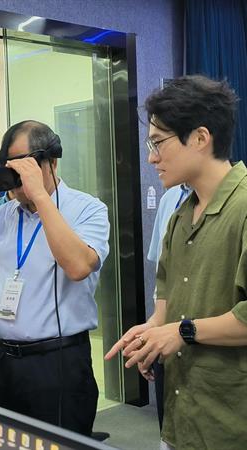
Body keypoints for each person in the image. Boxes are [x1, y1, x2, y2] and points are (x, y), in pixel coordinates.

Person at [106, 75, 247, 450]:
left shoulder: (244, 207)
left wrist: (182, 332)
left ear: (200, 138)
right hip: (182, 416)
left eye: (158, 143)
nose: (151, 157)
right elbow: (167, 311)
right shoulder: (179, 217)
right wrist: (151, 333)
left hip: (231, 423)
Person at [0, 120, 110, 436]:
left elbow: (78, 266)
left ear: (51, 162)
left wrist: (41, 198)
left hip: (57, 362)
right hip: (2, 360)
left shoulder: (87, 209)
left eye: (22, 169)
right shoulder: (1, 215)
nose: (15, 183)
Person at [146, 183, 190, 430]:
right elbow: (161, 273)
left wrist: (185, 331)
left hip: (207, 346)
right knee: (169, 427)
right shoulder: (169, 198)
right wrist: (154, 325)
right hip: (167, 334)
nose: (153, 163)